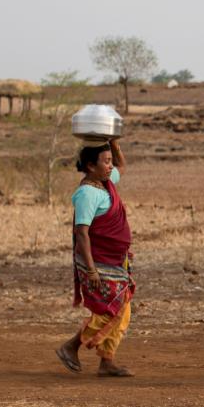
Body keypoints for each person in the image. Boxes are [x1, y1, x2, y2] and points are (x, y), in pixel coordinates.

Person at [55, 140, 135, 377]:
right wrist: (90, 270)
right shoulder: (87, 194)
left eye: (110, 161)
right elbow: (82, 232)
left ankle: (107, 361)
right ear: (91, 165)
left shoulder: (105, 184)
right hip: (97, 262)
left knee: (123, 309)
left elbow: (122, 166)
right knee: (110, 310)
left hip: (114, 261)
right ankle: (71, 346)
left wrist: (113, 143)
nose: (111, 166)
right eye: (106, 161)